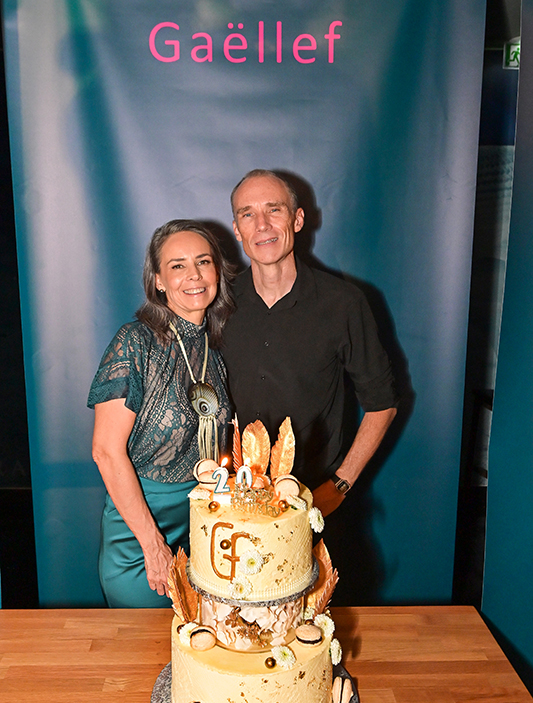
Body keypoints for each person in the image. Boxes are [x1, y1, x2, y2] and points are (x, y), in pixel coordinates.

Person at [222, 169, 397, 520]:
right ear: (237, 229)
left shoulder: (343, 303)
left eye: (274, 210)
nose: (262, 225)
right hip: (234, 503)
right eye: (248, 214)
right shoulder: (219, 304)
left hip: (312, 504)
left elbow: (383, 404)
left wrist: (339, 485)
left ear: (298, 219)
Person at [88, 220, 234, 608]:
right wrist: (153, 545)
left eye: (203, 261)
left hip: (201, 535)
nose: (194, 275)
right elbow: (105, 451)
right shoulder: (135, 343)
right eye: (178, 265)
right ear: (158, 281)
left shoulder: (216, 351)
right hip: (141, 541)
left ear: (217, 271)